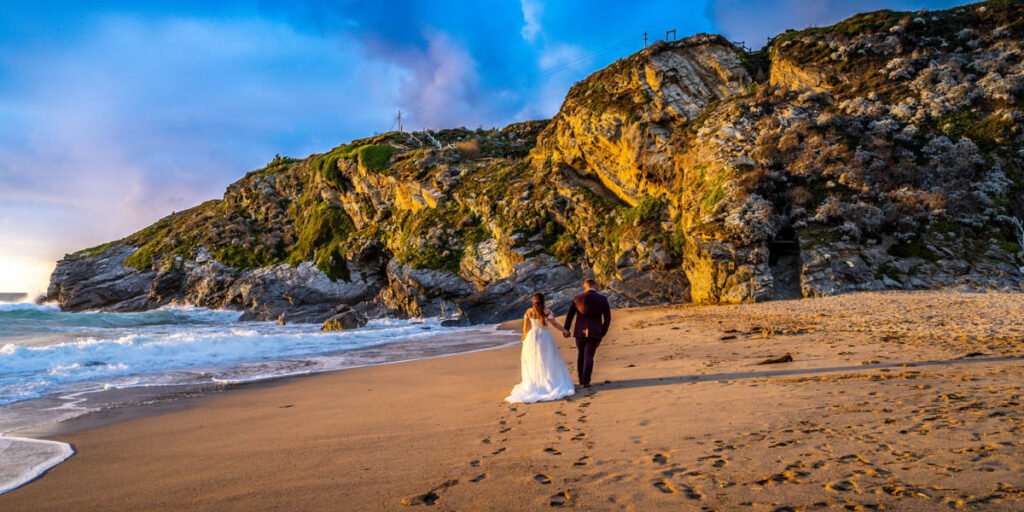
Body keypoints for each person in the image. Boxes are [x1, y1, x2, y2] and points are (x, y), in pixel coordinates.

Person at [505, 293, 576, 403]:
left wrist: (524, 338)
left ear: (533, 301)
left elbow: (526, 328)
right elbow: (555, 324)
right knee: (548, 361)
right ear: (543, 301)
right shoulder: (547, 312)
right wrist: (565, 331)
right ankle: (550, 383)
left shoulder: (528, 312)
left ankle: (537, 383)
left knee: (534, 362)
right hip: (545, 338)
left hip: (532, 338)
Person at [562, 279, 611, 388]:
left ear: (585, 286)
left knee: (581, 354)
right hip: (595, 331)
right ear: (595, 286)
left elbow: (570, 316)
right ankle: (586, 381)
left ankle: (580, 379)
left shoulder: (577, 298)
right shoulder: (602, 299)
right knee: (589, 355)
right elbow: (607, 318)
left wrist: (566, 329)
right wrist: (603, 331)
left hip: (580, 331)